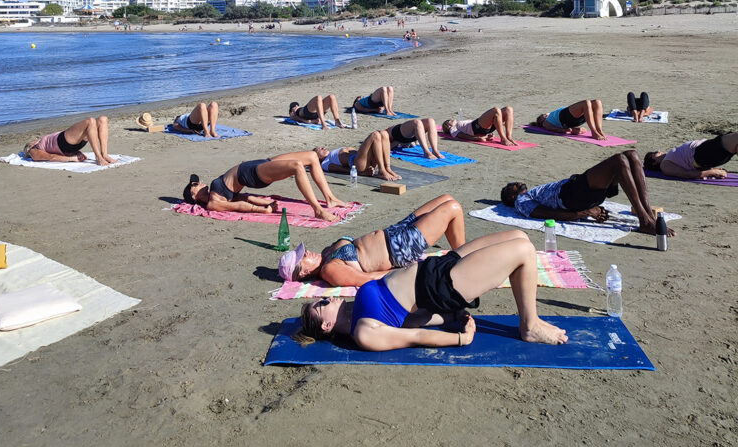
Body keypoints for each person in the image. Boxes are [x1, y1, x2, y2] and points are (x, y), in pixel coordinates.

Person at [298, 230, 568, 351]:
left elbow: (408, 320)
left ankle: (530, 321)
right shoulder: (364, 333)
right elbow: (414, 335)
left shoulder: (358, 308)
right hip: (442, 284)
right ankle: (530, 325)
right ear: (326, 326)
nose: (325, 298)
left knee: (519, 236)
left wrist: (449, 318)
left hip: (436, 267)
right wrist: (461, 340)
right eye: (321, 305)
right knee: (524, 252)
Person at [280, 194, 465, 288]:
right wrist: (405, 273)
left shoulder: (327, 253)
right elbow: (366, 279)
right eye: (302, 257)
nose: (306, 252)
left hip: (395, 231)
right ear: (303, 273)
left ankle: (464, 256)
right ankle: (465, 262)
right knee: (453, 208)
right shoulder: (330, 270)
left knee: (447, 198)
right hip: (400, 248)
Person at [500, 149, 666, 236]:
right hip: (569, 195)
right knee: (619, 160)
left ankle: (648, 215)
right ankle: (644, 220)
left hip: (577, 190)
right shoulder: (520, 202)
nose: (517, 183)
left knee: (631, 155)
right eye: (511, 186)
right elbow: (548, 214)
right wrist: (585, 212)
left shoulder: (532, 194)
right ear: (511, 197)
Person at [182, 149, 347, 221]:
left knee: (312, 156)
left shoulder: (216, 192)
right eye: (195, 184)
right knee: (297, 166)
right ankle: (318, 210)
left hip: (261, 164)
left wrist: (266, 203)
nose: (200, 182)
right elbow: (239, 206)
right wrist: (263, 210)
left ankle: (330, 198)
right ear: (194, 195)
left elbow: (246, 198)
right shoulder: (213, 203)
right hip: (255, 174)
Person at [23, 117, 115, 167]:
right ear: (30, 146)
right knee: (90, 121)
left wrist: (76, 153)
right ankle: (98, 157)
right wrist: (71, 159)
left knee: (103, 119)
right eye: (30, 143)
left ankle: (105, 155)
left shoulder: (42, 143)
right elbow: (51, 157)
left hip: (70, 143)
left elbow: (56, 152)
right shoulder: (33, 151)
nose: (33, 141)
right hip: (62, 142)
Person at [313, 131, 401, 182]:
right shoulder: (325, 163)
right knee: (375, 135)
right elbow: (341, 170)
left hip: (363, 158)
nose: (323, 148)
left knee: (384, 133)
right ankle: (382, 170)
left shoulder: (331, 154)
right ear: (318, 157)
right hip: (357, 164)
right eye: (320, 149)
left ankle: (387, 168)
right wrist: (361, 173)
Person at [644, 133, 738, 180]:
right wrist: (714, 171)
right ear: (654, 161)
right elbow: (687, 174)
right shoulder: (664, 166)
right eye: (655, 153)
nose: (659, 151)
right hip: (703, 154)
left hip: (707, 151)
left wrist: (714, 170)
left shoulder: (670, 160)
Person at [534, 99, 607, 141]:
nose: (544, 115)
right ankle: (594, 132)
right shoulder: (545, 123)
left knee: (597, 102)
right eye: (542, 117)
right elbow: (554, 129)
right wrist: (569, 130)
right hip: (563, 117)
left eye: (543, 114)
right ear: (541, 121)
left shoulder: (551, 114)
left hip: (572, 117)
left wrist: (576, 129)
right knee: (586, 102)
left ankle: (599, 130)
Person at [442, 105, 515, 146]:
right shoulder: (453, 129)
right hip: (476, 127)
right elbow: (462, 136)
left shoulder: (457, 126)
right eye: (450, 121)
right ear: (448, 126)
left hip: (482, 128)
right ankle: (503, 138)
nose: (452, 119)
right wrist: (478, 138)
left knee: (508, 109)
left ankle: (509, 137)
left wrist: (485, 136)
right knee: (496, 110)